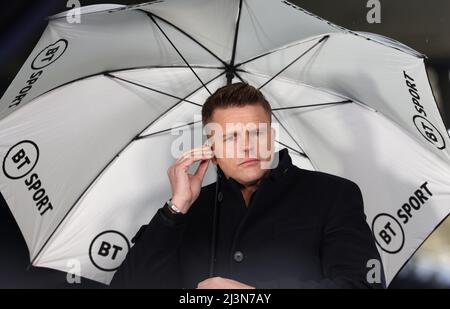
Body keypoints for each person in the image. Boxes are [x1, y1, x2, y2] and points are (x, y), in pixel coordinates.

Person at [110, 82, 385, 289]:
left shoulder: (332, 195)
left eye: (256, 132)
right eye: (230, 138)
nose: (246, 147)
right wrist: (176, 208)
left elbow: (363, 285)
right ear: (212, 151)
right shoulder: (189, 211)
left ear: (272, 137)